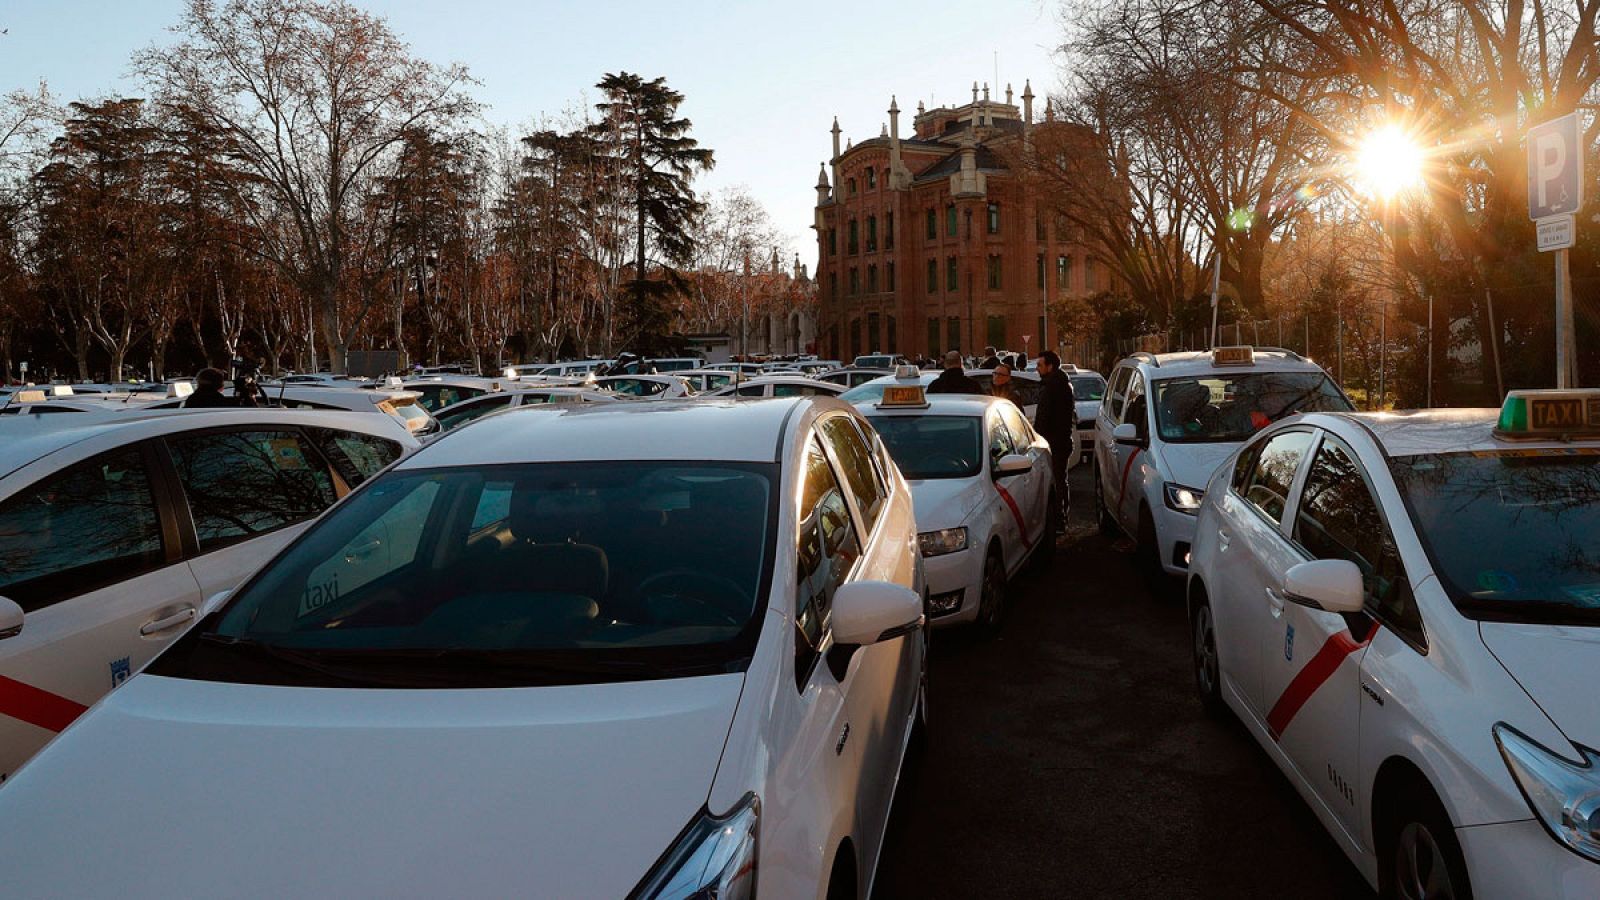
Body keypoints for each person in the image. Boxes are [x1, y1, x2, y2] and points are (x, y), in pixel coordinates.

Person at [1033, 350, 1077, 533]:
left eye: (1040, 365)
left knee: (1057, 481)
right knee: (1060, 480)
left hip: (1054, 442)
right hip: (1059, 440)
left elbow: (1045, 417)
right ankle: (1060, 518)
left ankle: (1059, 520)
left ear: (1049, 366)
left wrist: (1037, 437)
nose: (1037, 369)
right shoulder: (1059, 384)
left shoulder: (1053, 386)